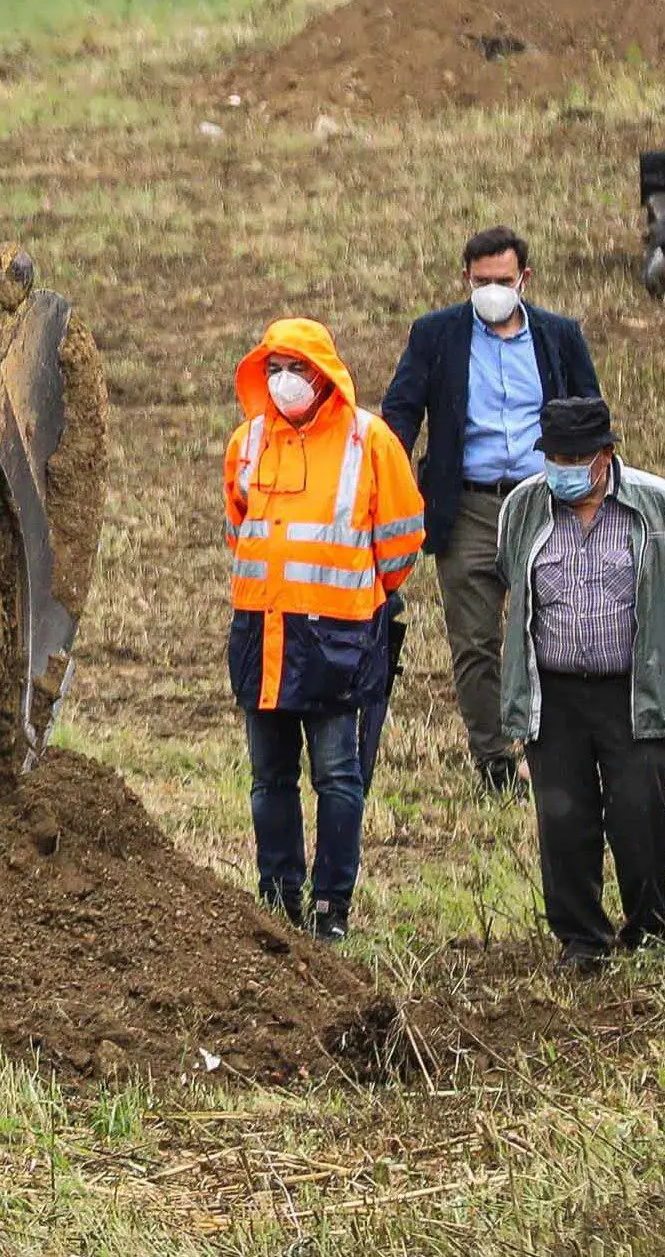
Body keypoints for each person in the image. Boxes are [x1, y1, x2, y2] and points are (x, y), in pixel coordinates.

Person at [224, 318, 426, 943]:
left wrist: (352, 601)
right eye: (275, 368)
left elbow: (400, 544)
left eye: (297, 369)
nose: (285, 381)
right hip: (263, 635)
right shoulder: (248, 442)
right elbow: (239, 529)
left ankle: (331, 907)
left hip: (337, 641)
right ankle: (278, 898)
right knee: (268, 780)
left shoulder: (371, 441)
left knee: (339, 778)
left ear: (325, 374)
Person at [382, 226, 602, 796]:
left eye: (503, 281)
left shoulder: (560, 335)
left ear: (524, 279)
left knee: (556, 634)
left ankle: (551, 749)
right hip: (469, 506)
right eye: (481, 282)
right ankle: (495, 763)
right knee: (475, 642)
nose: (492, 291)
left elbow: (591, 414)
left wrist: (594, 492)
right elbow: (401, 413)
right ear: (465, 280)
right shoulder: (436, 336)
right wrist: (384, 479)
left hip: (544, 504)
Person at [497, 398, 665, 972]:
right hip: (556, 694)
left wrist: (655, 642)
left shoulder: (656, 504)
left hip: (632, 691)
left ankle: (648, 930)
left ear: (606, 455)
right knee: (563, 820)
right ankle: (582, 939)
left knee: (640, 813)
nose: (563, 467)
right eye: (554, 456)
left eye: (576, 457)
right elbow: (509, 574)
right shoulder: (523, 507)